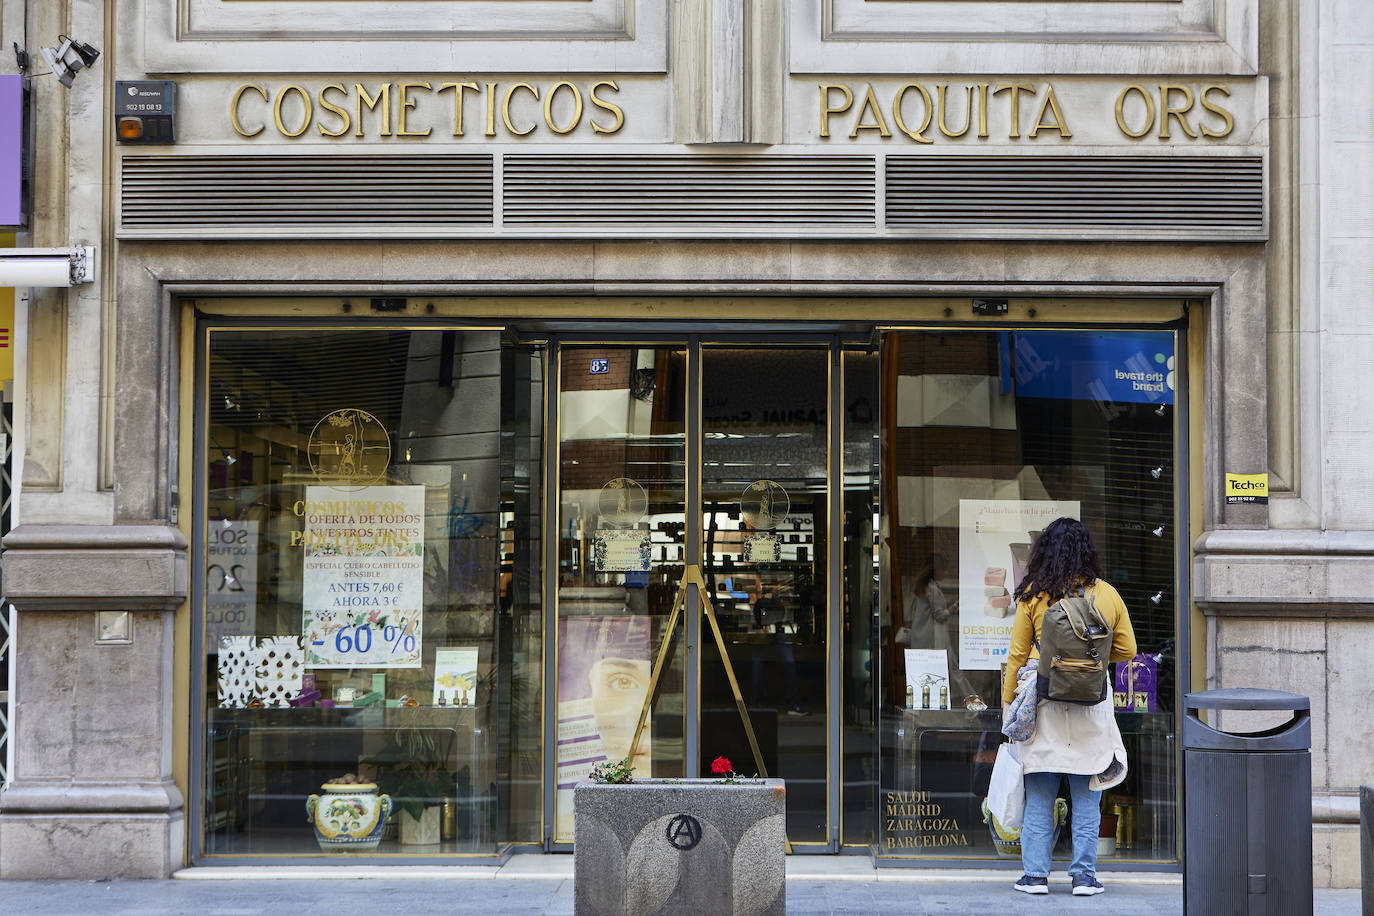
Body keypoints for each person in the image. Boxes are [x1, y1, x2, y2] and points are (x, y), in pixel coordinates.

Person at [1000, 517, 1136, 898]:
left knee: (1040, 794)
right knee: (1088, 794)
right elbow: (1127, 651)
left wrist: (1009, 702)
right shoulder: (1107, 595)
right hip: (1091, 707)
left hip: (1044, 704)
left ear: (1044, 552)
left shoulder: (1034, 595)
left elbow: (1015, 656)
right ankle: (1084, 877)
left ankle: (1035, 877)